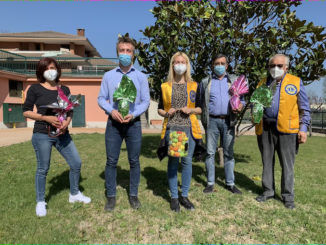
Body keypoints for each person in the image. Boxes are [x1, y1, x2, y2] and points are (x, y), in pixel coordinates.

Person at [23, 57, 91, 217]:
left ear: (58, 70)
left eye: (53, 67)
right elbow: (26, 111)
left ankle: (74, 194)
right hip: (42, 134)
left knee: (76, 163)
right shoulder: (34, 89)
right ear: (41, 71)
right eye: (46, 68)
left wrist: (66, 123)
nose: (50, 71)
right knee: (43, 168)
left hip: (62, 134)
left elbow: (70, 110)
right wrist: (44, 118)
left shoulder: (64, 89)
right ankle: (40, 201)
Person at [98, 36, 150, 211]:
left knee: (134, 161)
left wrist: (134, 114)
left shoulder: (141, 77)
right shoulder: (108, 76)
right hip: (114, 124)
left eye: (129, 51)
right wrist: (111, 111)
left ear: (133, 55)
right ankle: (111, 196)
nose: (125, 54)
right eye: (122, 51)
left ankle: (133, 195)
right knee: (111, 161)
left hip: (133, 124)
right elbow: (101, 98)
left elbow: (145, 101)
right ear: (117, 53)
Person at [255, 54, 310, 209]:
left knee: (287, 164)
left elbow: (304, 109)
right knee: (267, 162)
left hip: (288, 130)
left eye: (279, 66)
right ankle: (268, 191)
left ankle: (288, 196)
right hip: (266, 128)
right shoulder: (262, 83)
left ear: (286, 67)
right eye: (272, 66)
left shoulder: (296, 82)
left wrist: (303, 129)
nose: (275, 69)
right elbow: (256, 105)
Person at [157, 52, 205, 212]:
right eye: (176, 62)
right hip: (175, 128)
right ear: (172, 65)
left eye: (182, 62)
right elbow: (159, 109)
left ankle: (184, 195)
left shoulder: (194, 86)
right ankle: (174, 197)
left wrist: (190, 109)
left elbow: (200, 108)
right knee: (174, 162)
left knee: (187, 162)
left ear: (187, 65)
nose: (179, 65)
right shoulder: (165, 86)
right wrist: (166, 112)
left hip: (189, 127)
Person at [199, 54, 245, 195]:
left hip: (228, 121)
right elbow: (201, 101)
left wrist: (240, 106)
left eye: (222, 63)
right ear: (213, 65)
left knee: (228, 153)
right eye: (216, 63)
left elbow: (242, 99)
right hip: (212, 121)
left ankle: (230, 183)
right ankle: (210, 183)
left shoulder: (234, 81)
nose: (219, 66)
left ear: (227, 65)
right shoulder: (206, 82)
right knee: (210, 153)